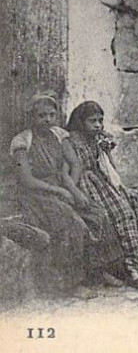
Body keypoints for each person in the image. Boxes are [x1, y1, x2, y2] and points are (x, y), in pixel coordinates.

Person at [10, 92, 122, 296]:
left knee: (98, 214)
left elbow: (75, 164)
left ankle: (99, 271)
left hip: (63, 186)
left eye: (51, 115)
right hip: (38, 194)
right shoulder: (21, 142)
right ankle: (72, 283)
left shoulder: (60, 135)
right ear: (32, 117)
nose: (47, 120)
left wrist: (72, 187)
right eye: (42, 115)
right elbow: (27, 180)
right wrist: (60, 190)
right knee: (73, 224)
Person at [66, 101, 138, 288]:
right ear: (80, 121)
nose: (97, 125)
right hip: (86, 186)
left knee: (129, 210)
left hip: (102, 182)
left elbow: (109, 165)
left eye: (100, 121)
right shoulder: (71, 141)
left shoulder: (97, 139)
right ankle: (127, 269)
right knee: (113, 218)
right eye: (92, 121)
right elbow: (71, 171)